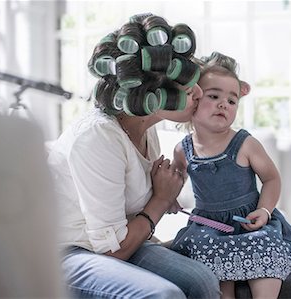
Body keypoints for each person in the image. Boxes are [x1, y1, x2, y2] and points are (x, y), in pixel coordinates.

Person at [47, 13, 221, 299]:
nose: (200, 94)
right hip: (71, 253)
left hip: (119, 244)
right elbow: (112, 250)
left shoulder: (144, 127)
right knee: (163, 295)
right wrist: (161, 199)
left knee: (201, 280)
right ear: (152, 92)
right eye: (189, 88)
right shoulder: (97, 138)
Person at [170, 53, 291, 299]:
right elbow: (175, 180)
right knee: (207, 258)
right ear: (193, 100)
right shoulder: (183, 149)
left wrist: (264, 211)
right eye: (214, 96)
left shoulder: (245, 144)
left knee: (266, 249)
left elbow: (272, 179)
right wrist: (169, 198)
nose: (224, 104)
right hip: (208, 227)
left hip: (249, 222)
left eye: (232, 101)